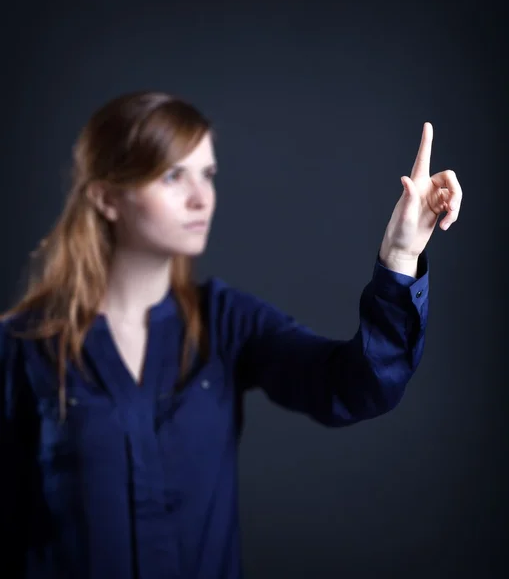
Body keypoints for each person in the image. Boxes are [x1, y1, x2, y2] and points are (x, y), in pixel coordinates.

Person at [0, 90, 462, 579]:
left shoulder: (225, 321)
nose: (202, 198)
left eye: (208, 174)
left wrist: (400, 257)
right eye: (173, 175)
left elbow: (354, 386)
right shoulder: (23, 347)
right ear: (106, 197)